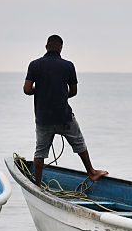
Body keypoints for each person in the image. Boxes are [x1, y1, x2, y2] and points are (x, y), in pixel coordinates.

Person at [23, 35, 107, 186]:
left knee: (40, 151)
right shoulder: (68, 66)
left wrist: (42, 90)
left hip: (43, 118)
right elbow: (73, 92)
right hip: (64, 116)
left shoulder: (34, 65)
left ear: (46, 46)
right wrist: (60, 94)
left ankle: (37, 184)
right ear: (61, 48)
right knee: (79, 144)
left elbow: (27, 90)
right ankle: (92, 172)